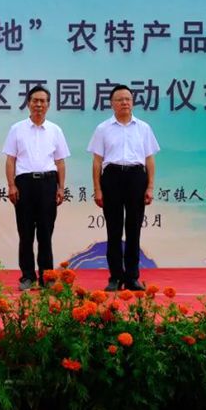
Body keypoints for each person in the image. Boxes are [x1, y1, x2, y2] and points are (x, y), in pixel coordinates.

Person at [88, 84, 160, 292]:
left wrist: (150, 186)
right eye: (120, 99)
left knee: (134, 229)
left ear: (133, 102)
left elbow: (149, 159)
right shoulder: (103, 129)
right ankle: (115, 277)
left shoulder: (143, 128)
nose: (124, 103)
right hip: (111, 177)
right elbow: (97, 161)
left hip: (136, 177)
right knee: (113, 230)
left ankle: (132, 277)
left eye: (128, 99)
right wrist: (97, 189)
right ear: (112, 104)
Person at [2, 85, 70, 290]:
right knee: (25, 233)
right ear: (28, 104)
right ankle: (28, 276)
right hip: (24, 184)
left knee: (45, 233)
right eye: (35, 101)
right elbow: (10, 160)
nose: (39, 104)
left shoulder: (55, 130)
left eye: (43, 101)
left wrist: (61, 188)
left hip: (48, 183)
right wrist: (11, 185)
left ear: (48, 105)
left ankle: (47, 277)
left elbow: (60, 162)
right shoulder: (17, 129)